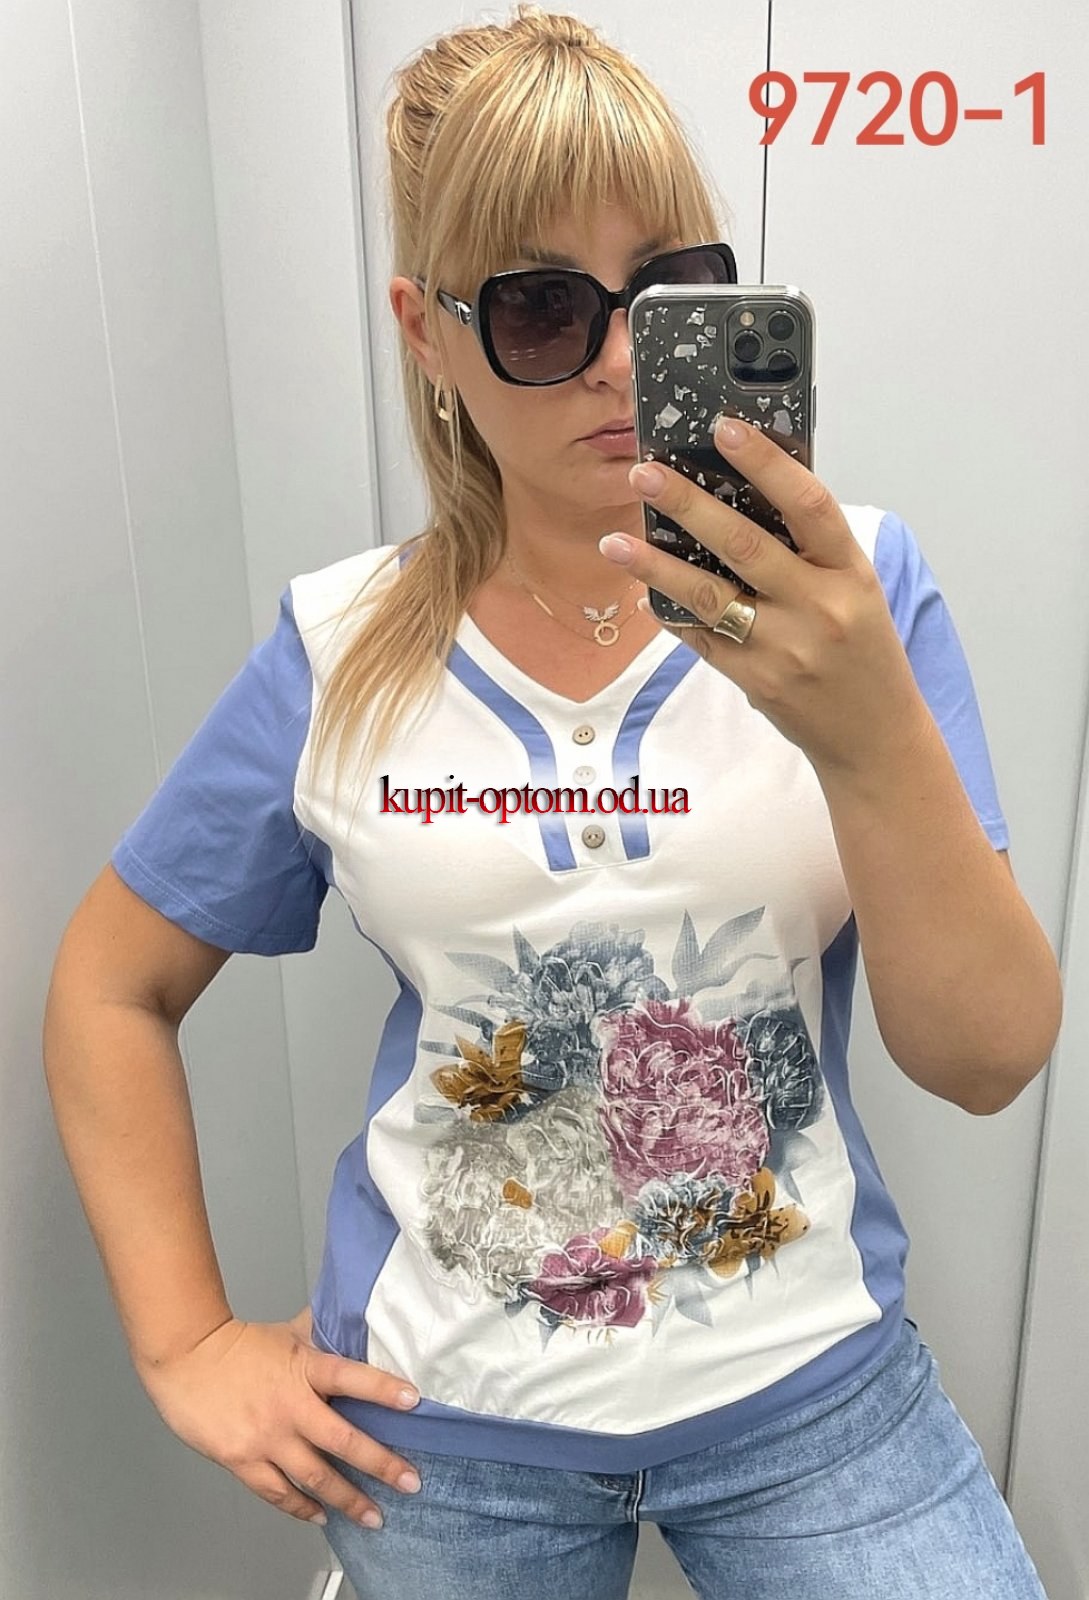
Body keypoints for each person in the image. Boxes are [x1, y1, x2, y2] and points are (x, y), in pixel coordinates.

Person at [42, 6, 1061, 1598]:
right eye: (537, 307)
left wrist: (865, 726)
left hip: (811, 1392)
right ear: (427, 334)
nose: (614, 360)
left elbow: (984, 1058)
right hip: (441, 1429)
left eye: (667, 293)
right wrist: (185, 1343)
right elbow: (111, 983)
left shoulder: (854, 600)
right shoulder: (337, 650)